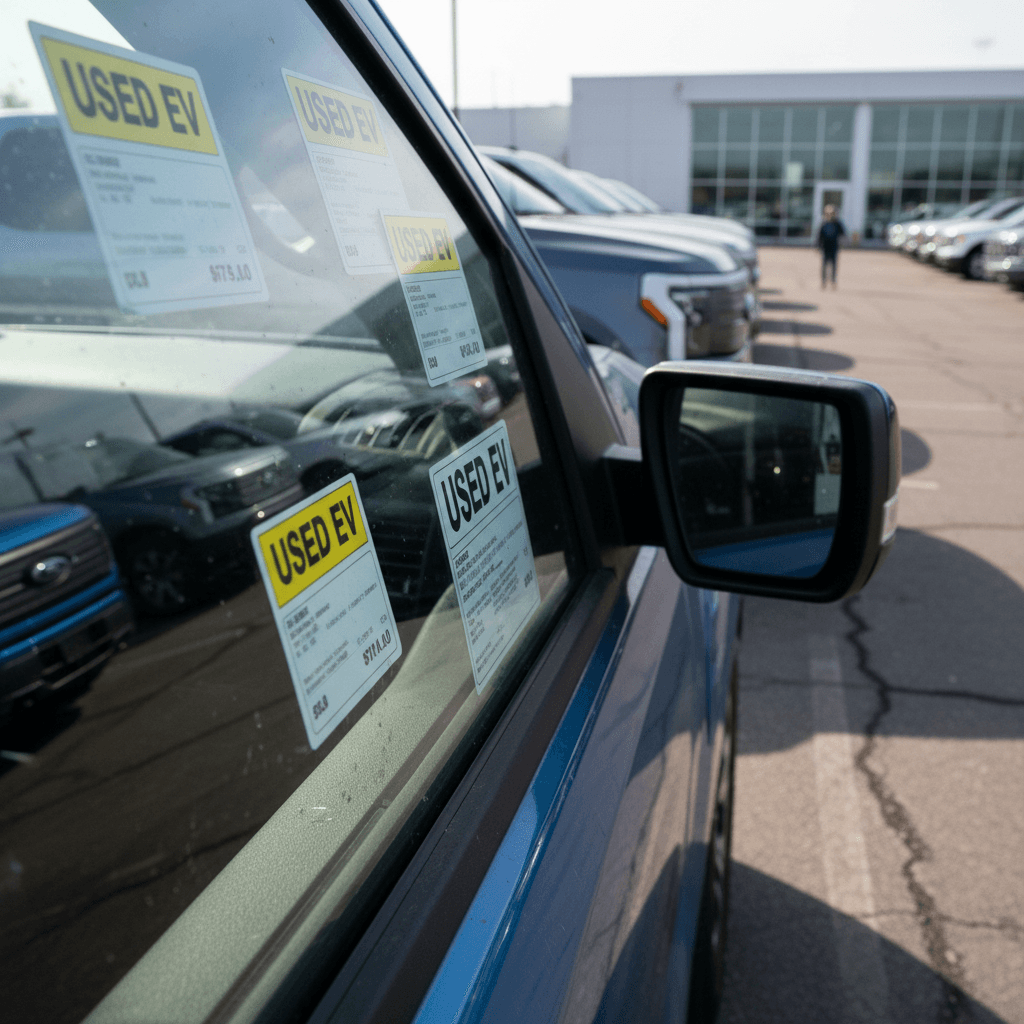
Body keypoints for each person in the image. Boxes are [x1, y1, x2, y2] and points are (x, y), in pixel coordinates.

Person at [817, 204, 846, 288]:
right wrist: (818, 246)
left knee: (833, 265)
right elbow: (819, 236)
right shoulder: (824, 223)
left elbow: (842, 234)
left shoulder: (838, 224)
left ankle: (833, 281)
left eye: (832, 213)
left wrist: (844, 242)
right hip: (825, 247)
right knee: (824, 265)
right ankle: (824, 281)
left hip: (834, 246)